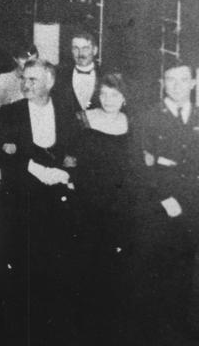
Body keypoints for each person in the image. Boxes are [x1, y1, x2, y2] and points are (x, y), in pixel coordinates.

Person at [0, 58, 81, 341]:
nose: (25, 85)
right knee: (19, 266)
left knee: (52, 265)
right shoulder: (9, 113)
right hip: (21, 200)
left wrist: (64, 172)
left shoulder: (66, 111)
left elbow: (76, 149)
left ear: (50, 82)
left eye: (33, 80)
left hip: (57, 201)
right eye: (24, 79)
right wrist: (35, 169)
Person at [71, 72, 138, 343]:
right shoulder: (83, 119)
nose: (109, 100)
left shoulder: (132, 124)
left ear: (124, 98)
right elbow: (70, 158)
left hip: (119, 206)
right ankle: (84, 326)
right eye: (105, 94)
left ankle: (111, 327)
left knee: (115, 265)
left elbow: (134, 167)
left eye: (115, 95)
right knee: (87, 262)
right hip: (87, 202)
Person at [135, 64, 199, 339]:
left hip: (193, 205)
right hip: (159, 205)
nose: (176, 86)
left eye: (183, 80)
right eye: (170, 80)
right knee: (156, 273)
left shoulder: (197, 116)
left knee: (186, 274)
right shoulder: (148, 117)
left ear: (194, 83)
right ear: (162, 82)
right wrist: (163, 197)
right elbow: (140, 166)